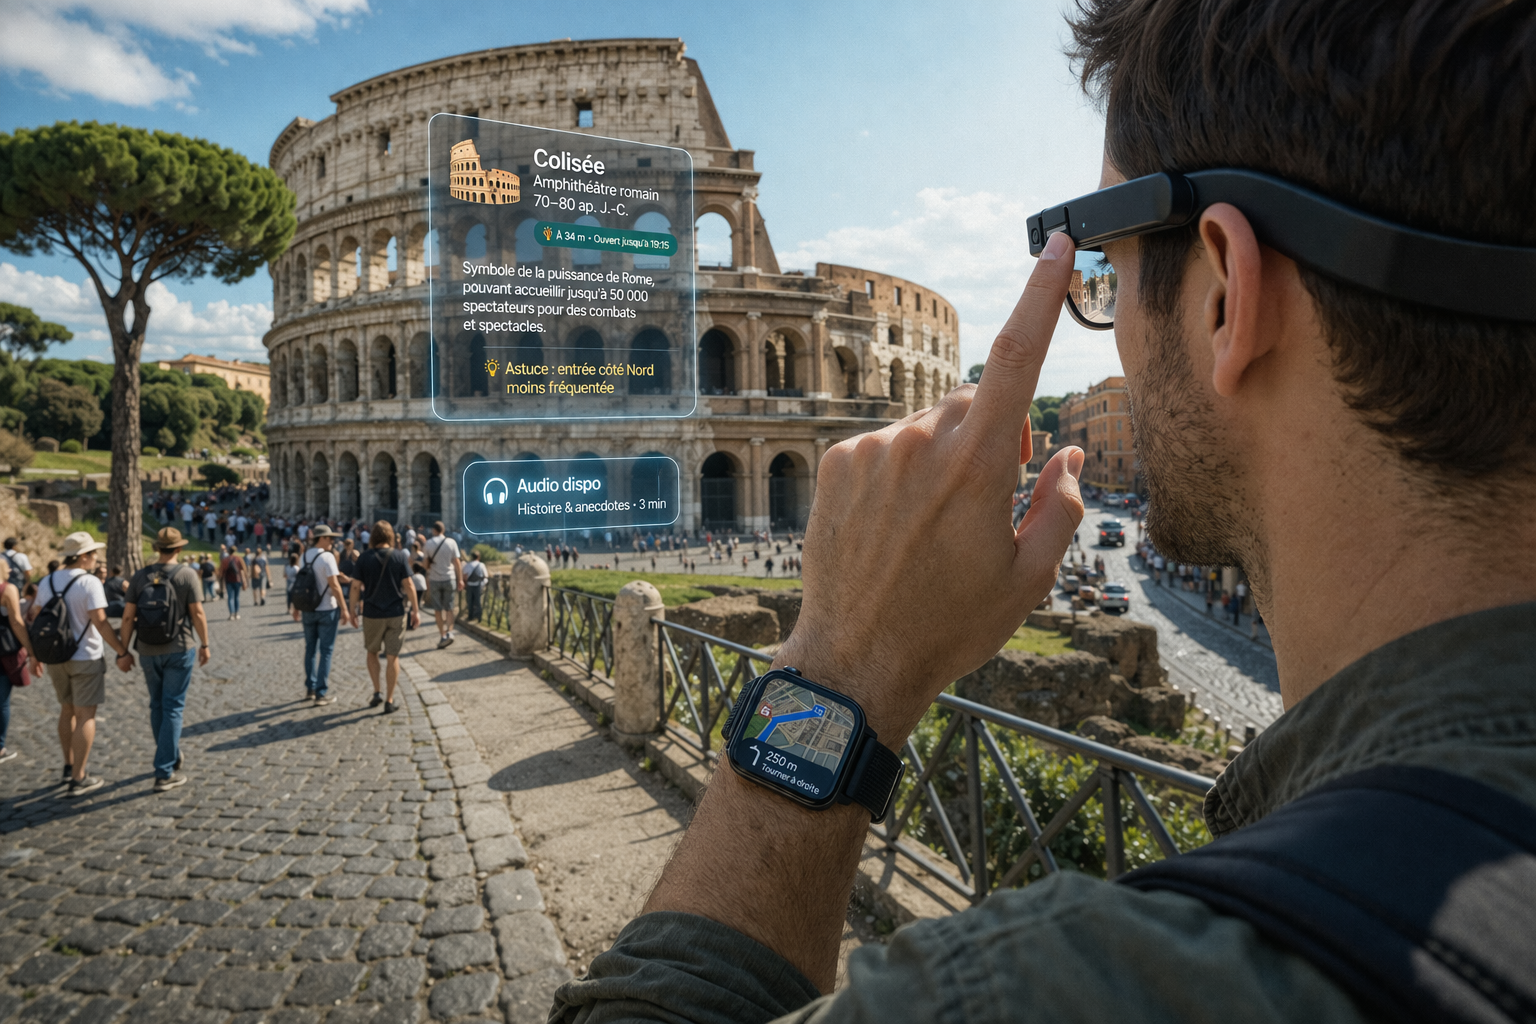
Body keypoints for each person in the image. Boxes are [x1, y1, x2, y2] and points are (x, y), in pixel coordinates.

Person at [548, 2, 1536, 1020]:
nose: (1105, 335)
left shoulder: (1047, 992)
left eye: (1102, 266)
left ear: (1225, 299)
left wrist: (839, 670)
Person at [36, 533, 133, 797]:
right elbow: (100, 622)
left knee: (66, 711)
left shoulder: (47, 580)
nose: (95, 558)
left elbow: (35, 615)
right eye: (92, 554)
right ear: (81, 557)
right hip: (85, 657)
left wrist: (35, 655)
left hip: (57, 658)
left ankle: (68, 766)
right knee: (85, 716)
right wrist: (122, 650)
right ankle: (79, 777)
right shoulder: (89, 582)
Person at [119, 528, 208, 792]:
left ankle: (169, 754)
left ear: (157, 548)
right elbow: (198, 613)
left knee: (157, 705)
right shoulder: (187, 575)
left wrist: (123, 651)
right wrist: (205, 644)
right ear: (179, 549)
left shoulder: (139, 576)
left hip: (146, 650)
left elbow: (127, 618)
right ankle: (164, 770)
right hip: (179, 648)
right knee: (173, 707)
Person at [349, 521, 419, 714]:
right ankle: (389, 699)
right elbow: (410, 586)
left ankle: (377, 692)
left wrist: (352, 610)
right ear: (390, 536)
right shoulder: (399, 556)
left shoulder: (363, 558)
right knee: (392, 656)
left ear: (372, 537)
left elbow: (355, 586)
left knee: (372, 652)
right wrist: (416, 610)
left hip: (372, 613)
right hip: (395, 612)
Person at [291, 525, 354, 705]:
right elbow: (334, 586)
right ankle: (321, 692)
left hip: (308, 609)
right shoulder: (327, 557)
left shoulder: (304, 556)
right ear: (322, 538)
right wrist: (344, 608)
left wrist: (296, 607)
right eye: (330, 538)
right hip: (327, 609)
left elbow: (301, 582)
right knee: (326, 651)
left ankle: (310, 688)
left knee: (310, 649)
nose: (333, 542)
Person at [0, 571, 46, 764]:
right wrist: (31, 651)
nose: (10, 570)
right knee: (2, 701)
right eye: (6, 567)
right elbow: (16, 621)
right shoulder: (7, 589)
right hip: (3, 649)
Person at [419, 521, 463, 649]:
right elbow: (457, 562)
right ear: (443, 530)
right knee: (449, 608)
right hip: (449, 578)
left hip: (435, 579)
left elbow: (426, 565)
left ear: (433, 530)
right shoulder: (451, 542)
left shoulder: (428, 544)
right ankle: (450, 632)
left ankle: (443, 635)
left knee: (438, 609)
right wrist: (460, 579)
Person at [219, 547, 247, 620]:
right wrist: (245, 580)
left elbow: (221, 572)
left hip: (228, 581)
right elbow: (244, 569)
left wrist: (220, 582)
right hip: (238, 580)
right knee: (237, 597)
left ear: (228, 552)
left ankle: (231, 614)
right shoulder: (239, 559)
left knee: (230, 597)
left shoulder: (225, 560)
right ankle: (237, 613)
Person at [462, 549, 487, 623]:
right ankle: (479, 617)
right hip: (478, 585)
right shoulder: (481, 565)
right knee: (478, 602)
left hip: (469, 585)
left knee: (470, 601)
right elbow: (485, 575)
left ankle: (470, 616)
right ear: (478, 557)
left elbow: (465, 576)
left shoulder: (468, 565)